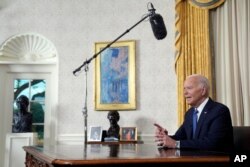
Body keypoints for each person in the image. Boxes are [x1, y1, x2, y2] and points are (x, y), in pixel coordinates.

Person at [154, 74, 234, 152]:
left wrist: (175, 144)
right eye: (184, 89)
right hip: (194, 160)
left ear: (203, 91)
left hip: (217, 161)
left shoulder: (219, 111)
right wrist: (164, 137)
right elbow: (180, 137)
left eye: (189, 88)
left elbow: (213, 143)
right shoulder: (190, 113)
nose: (185, 93)